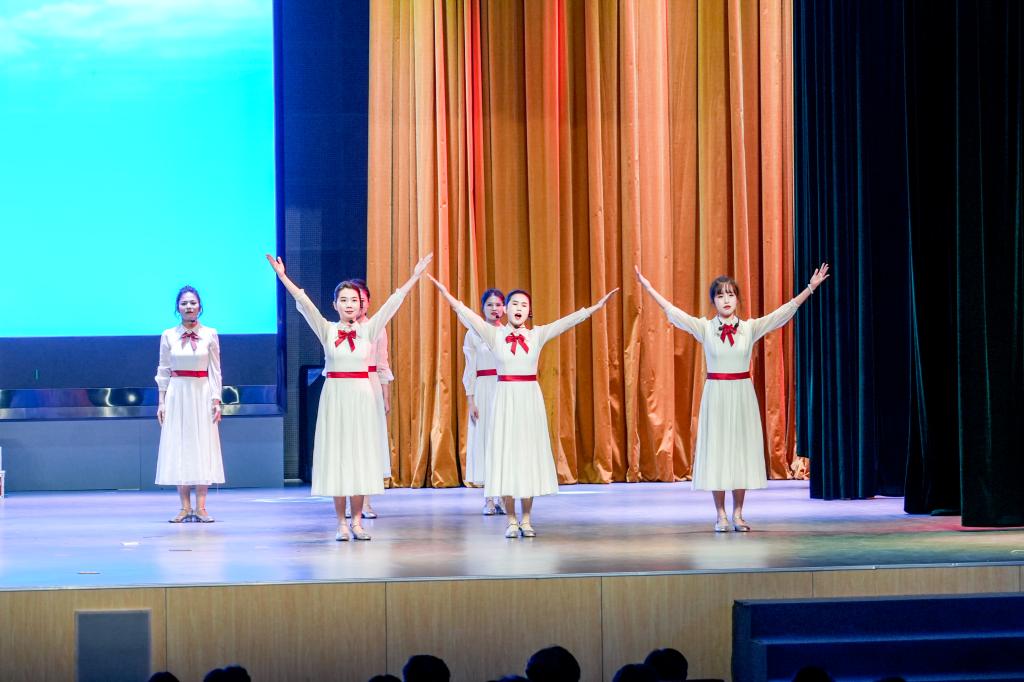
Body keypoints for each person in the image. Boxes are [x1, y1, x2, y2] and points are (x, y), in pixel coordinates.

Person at [636, 263, 830, 531]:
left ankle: (738, 513)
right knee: (717, 453)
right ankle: (720, 515)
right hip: (716, 395)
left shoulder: (749, 328)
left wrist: (810, 288)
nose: (726, 300)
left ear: (737, 299)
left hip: (742, 396)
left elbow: (782, 314)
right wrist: (649, 288)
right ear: (713, 301)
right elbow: (673, 312)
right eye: (720, 295)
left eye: (730, 294)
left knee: (740, 453)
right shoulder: (705, 328)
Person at [431, 276, 618, 538]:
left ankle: (527, 519)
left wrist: (595, 308)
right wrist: (446, 293)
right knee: (506, 457)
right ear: (506, 309)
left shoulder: (536, 335)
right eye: (514, 304)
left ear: (529, 311)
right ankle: (511, 520)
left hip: (530, 401)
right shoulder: (494, 335)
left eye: (524, 305)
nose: (518, 308)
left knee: (528, 457)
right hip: (505, 400)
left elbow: (565, 323)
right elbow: (467, 315)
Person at [267, 253, 432, 540]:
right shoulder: (327, 330)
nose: (349, 304)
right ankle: (341, 523)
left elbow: (394, 303)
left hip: (362, 398)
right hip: (335, 398)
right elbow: (303, 302)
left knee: (360, 457)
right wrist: (283, 277)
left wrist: (415, 276)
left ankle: (357, 521)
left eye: (354, 300)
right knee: (339, 457)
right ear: (335, 305)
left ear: (361, 304)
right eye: (343, 300)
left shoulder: (370, 330)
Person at [156, 285, 224, 523]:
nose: (188, 307)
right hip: (178, 393)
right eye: (184, 303)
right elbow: (163, 369)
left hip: (201, 392)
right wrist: (161, 401)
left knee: (202, 445)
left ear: (200, 306)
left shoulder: (210, 334)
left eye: (192, 302)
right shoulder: (168, 335)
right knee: (180, 446)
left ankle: (201, 507)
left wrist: (216, 399)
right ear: (178, 307)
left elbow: (215, 370)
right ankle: (184, 507)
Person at [348, 278, 393, 520]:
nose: (359, 304)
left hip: (371, 384)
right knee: (350, 443)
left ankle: (366, 503)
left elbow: (383, 363)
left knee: (368, 444)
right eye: (354, 300)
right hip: (347, 386)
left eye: (362, 300)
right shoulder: (340, 329)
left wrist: (386, 396)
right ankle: (349, 499)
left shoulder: (376, 328)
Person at [463, 288, 507, 515]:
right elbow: (470, 369)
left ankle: (503, 495)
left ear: (504, 308)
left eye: (498, 304)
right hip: (483, 389)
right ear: (482, 308)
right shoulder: (473, 334)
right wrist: (471, 400)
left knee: (502, 442)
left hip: (504, 388)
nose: (494, 308)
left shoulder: (508, 333)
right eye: (490, 304)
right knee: (485, 441)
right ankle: (489, 498)